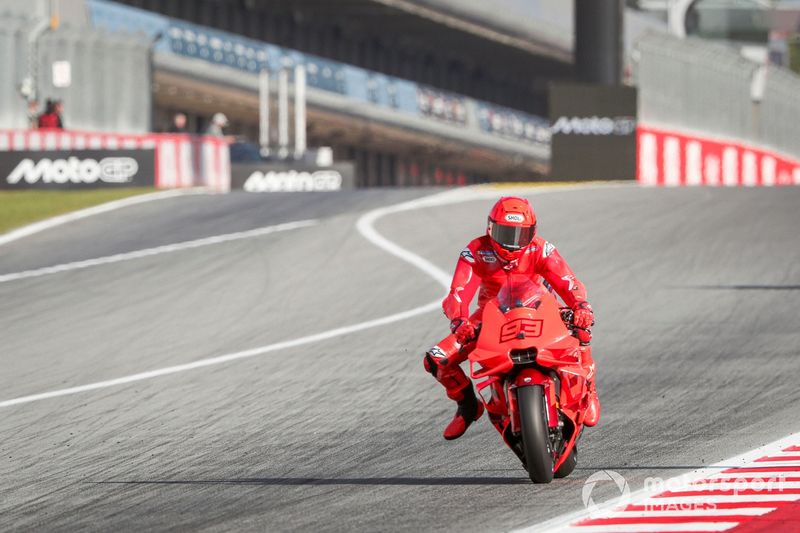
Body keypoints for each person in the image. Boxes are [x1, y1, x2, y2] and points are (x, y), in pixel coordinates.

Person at [423, 196, 601, 440]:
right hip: (490, 316)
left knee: (581, 328)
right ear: (490, 229)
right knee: (437, 360)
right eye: (505, 233)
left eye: (520, 235)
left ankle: (588, 391)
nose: (512, 244)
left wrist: (580, 305)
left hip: (539, 309)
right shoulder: (476, 251)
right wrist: (459, 321)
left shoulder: (541, 248)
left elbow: (567, 280)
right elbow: (457, 294)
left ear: (533, 233)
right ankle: (468, 407)